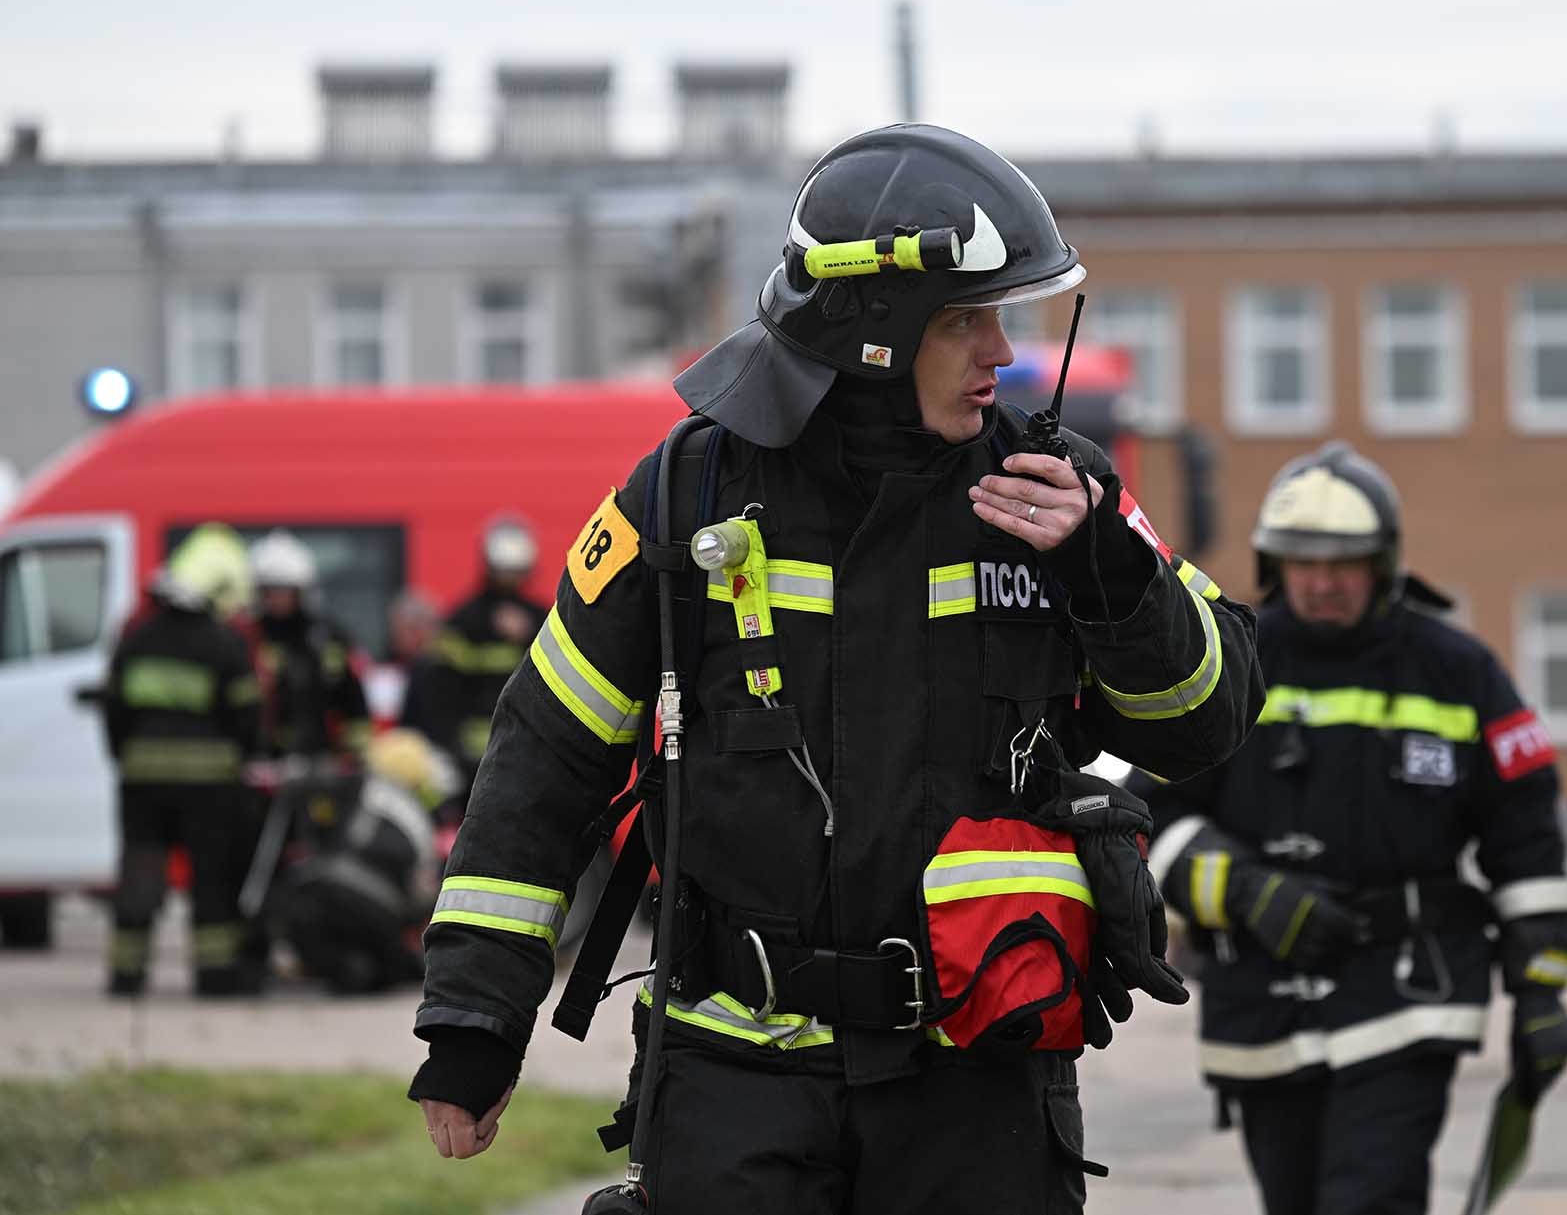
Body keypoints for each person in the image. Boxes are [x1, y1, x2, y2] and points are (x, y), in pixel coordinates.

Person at [408, 123, 1263, 1211]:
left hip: (977, 1086)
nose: (1003, 353)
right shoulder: (686, 494)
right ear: (876, 328)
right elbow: (546, 754)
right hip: (736, 1082)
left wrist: (1111, 572)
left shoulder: (1055, 489)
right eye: (968, 320)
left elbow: (1212, 715)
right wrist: (476, 1023)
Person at [1136, 442, 1567, 1215]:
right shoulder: (1226, 662)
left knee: (1369, 1199)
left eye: (1343, 561)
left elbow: (1525, 834)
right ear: (1274, 562)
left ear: (1384, 561)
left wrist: (1541, 990)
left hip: (1410, 992)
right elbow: (1154, 814)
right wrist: (1246, 890)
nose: (1321, 581)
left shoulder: (1456, 670)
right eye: (1301, 561)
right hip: (1265, 1000)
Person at [101, 524, 264, 996]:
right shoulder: (225, 643)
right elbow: (247, 716)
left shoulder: (135, 638)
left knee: (140, 874)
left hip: (142, 780)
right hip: (210, 785)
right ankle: (215, 977)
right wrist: (239, 760)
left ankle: (126, 976)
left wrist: (125, 758)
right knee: (210, 878)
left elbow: (113, 711)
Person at [421, 515, 544, 798]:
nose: (511, 579)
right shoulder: (463, 623)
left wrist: (527, 636)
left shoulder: (542, 619)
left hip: (532, 753)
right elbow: (441, 692)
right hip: (472, 762)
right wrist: (445, 750)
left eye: (517, 571)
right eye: (505, 571)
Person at [250, 529, 371, 760]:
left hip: (322, 758)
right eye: (271, 590)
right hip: (267, 760)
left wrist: (355, 757)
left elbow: (353, 701)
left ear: (300, 591)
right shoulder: (249, 638)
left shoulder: (327, 638)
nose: (278, 598)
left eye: (285, 590)